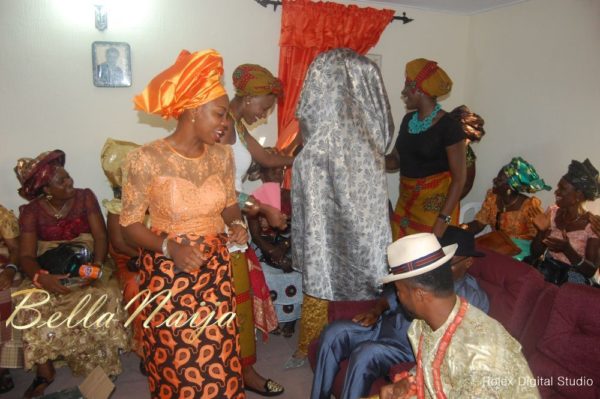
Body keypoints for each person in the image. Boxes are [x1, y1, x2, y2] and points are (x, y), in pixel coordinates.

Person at [121, 49, 245, 399]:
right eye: (220, 114)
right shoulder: (146, 159)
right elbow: (129, 224)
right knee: (180, 366)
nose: (226, 124)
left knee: (219, 360)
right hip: (168, 273)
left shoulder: (223, 156)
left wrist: (237, 226)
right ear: (193, 109)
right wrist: (169, 247)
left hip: (215, 269)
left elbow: (230, 206)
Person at [290, 48, 394, 368]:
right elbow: (387, 135)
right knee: (365, 259)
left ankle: (322, 342)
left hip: (328, 179)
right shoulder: (368, 145)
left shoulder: (314, 151)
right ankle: (341, 340)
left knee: (325, 262)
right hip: (361, 202)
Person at [311, 226, 489, 399]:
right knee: (334, 332)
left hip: (405, 346)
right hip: (383, 327)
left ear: (468, 262)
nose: (441, 267)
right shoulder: (428, 274)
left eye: (449, 262)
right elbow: (394, 294)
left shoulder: (474, 298)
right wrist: (376, 310)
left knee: (365, 354)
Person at [14, 149, 129, 398]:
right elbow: (25, 256)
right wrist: (40, 278)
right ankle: (45, 373)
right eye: (62, 181)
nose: (70, 182)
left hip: (89, 260)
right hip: (49, 268)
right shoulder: (31, 211)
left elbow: (100, 236)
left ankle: (103, 366)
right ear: (46, 189)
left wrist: (96, 267)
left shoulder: (85, 197)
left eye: (68, 177)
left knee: (106, 293)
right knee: (28, 303)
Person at [377, 233, 539, 399]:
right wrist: (408, 382)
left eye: (399, 291)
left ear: (419, 294)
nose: (397, 297)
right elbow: (434, 369)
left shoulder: (481, 358)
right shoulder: (425, 323)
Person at [386, 58, 466, 239]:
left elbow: (459, 179)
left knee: (428, 263)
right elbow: (395, 161)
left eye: (407, 86)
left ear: (419, 89)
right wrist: (368, 155)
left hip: (434, 215)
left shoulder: (449, 126)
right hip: (405, 209)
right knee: (401, 260)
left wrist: (442, 220)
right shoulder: (408, 121)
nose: (403, 91)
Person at [247, 152, 302, 338]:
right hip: (265, 246)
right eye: (273, 170)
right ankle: (276, 319)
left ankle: (292, 318)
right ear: (262, 175)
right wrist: (272, 251)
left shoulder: (292, 195)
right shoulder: (254, 199)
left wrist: (284, 247)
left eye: (281, 169)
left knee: (298, 270)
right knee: (268, 274)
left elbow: (300, 229)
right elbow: (255, 236)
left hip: (290, 244)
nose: (278, 174)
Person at [100, 138, 145, 363]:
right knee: (137, 288)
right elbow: (119, 245)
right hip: (129, 258)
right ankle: (146, 349)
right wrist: (145, 258)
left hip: (154, 255)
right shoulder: (116, 208)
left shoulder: (154, 199)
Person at [462, 157, 550, 260]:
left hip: (519, 253)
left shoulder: (529, 207)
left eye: (499, 180)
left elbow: (537, 246)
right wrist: (462, 229)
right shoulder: (492, 197)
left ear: (509, 188)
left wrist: (542, 231)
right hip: (496, 245)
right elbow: (479, 223)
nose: (494, 180)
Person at [530, 159, 600, 285]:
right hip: (547, 272)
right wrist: (542, 232)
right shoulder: (552, 212)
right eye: (558, 187)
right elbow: (535, 253)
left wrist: (567, 250)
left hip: (574, 281)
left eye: (562, 188)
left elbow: (590, 271)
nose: (556, 192)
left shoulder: (592, 225)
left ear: (578, 195)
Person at [0, 204, 23, 394]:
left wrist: (10, 270)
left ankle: (2, 366)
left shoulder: (1, 214)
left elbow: (15, 248)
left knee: (5, 290)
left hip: (3, 266)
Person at [447, 105, 485, 199]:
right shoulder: (435, 140)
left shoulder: (466, 153)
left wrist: (449, 204)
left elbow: (468, 184)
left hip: (447, 201)